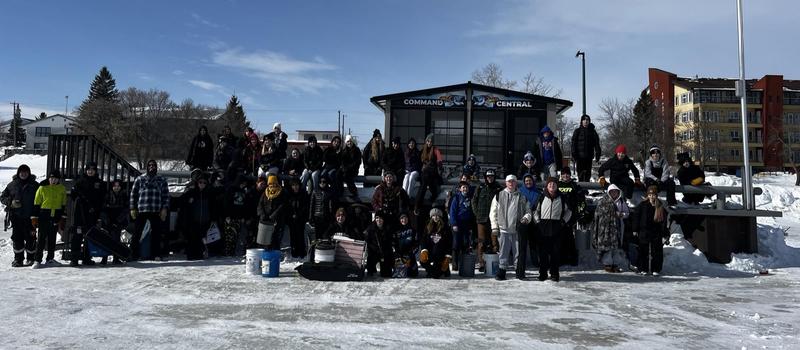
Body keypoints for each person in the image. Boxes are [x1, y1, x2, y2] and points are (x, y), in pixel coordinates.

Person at [489, 174, 532, 280]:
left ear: (516, 183)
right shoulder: (499, 195)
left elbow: (528, 211)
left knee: (518, 251)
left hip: (517, 229)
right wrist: (494, 227)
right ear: (506, 183)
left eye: (513, 181)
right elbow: (493, 212)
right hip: (503, 229)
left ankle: (519, 271)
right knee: (503, 252)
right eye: (509, 181)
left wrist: (526, 218)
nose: (511, 183)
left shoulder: (522, 196)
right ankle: (502, 271)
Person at [129, 160, 171, 261]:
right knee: (137, 233)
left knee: (156, 234)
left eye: (154, 165)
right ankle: (133, 254)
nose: (152, 167)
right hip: (142, 209)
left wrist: (164, 208)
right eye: (150, 165)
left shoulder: (162, 180)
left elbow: (166, 196)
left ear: (156, 167)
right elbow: (133, 194)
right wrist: (132, 208)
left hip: (156, 210)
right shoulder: (140, 179)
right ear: (147, 167)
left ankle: (155, 254)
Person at [533, 177, 572, 282]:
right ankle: (543, 273)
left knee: (555, 252)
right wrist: (538, 222)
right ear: (547, 186)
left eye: (554, 184)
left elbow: (569, 211)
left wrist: (563, 221)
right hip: (543, 226)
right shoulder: (541, 197)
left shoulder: (562, 197)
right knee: (543, 252)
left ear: (557, 186)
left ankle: (554, 273)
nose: (552, 186)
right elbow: (535, 211)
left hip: (556, 226)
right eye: (550, 184)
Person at [1, 164, 39, 267]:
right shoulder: (12, 185)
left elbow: (41, 199)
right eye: (21, 172)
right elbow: (3, 197)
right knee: (17, 238)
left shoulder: (35, 185)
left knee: (31, 238)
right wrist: (10, 202)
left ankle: (31, 259)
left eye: (25, 172)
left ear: (29, 173)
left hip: (31, 217)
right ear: (18, 173)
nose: (23, 174)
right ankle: (18, 259)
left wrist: (37, 214)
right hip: (16, 217)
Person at [70, 161, 106, 266]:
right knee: (77, 235)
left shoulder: (99, 183)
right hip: (79, 213)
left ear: (95, 171)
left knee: (89, 236)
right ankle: (74, 259)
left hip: (92, 214)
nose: (90, 171)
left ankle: (87, 258)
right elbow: (73, 196)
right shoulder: (79, 182)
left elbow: (102, 198)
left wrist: (97, 211)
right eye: (88, 170)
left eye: (92, 170)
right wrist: (79, 199)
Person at [30, 170, 67, 269]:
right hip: (43, 215)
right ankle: (37, 260)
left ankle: (50, 259)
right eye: (51, 178)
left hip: (56, 215)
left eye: (55, 179)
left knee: (52, 239)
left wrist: (62, 218)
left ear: (58, 179)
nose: (53, 180)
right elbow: (36, 203)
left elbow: (63, 204)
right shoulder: (42, 188)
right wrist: (34, 218)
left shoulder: (62, 189)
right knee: (41, 239)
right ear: (48, 178)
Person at [592, 184, 630, 273]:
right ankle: (607, 264)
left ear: (618, 192)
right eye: (611, 192)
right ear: (608, 192)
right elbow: (597, 215)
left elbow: (627, 213)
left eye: (615, 191)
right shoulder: (602, 202)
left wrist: (621, 215)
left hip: (617, 227)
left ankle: (615, 264)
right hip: (604, 228)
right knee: (606, 247)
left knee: (616, 247)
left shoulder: (621, 202)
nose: (614, 193)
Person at [179, 175, 217, 260]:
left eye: (204, 183)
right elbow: (182, 202)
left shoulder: (209, 194)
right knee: (192, 239)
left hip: (205, 220)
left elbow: (213, 207)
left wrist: (213, 219)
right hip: (193, 221)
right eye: (200, 182)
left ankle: (200, 255)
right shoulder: (191, 192)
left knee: (202, 239)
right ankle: (191, 255)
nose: (202, 184)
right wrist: (189, 201)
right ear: (197, 183)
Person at [633, 186, 669, 275]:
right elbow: (636, 217)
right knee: (643, 250)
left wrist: (665, 233)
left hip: (656, 231)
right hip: (644, 230)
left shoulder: (660, 206)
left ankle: (655, 269)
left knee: (656, 252)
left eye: (653, 195)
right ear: (647, 195)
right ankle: (643, 268)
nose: (651, 197)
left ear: (656, 195)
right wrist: (635, 229)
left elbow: (664, 221)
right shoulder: (642, 205)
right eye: (650, 195)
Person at [472, 169, 501, 271]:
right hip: (481, 219)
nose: (490, 178)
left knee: (494, 242)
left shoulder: (498, 188)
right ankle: (481, 263)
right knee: (481, 242)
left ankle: (494, 263)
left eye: (492, 176)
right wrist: (477, 213)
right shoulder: (480, 187)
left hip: (494, 220)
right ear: (485, 177)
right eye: (488, 176)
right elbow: (474, 201)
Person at [556, 167, 586, 266]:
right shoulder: (557, 185)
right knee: (559, 237)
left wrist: (581, 211)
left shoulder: (574, 186)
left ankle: (572, 258)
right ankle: (560, 258)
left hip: (572, 215)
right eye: (563, 174)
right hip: (559, 215)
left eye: (567, 174)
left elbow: (581, 200)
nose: (565, 176)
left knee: (569, 236)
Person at [516, 173, 541, 279]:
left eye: (530, 181)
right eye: (526, 181)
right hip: (523, 221)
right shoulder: (520, 191)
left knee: (534, 243)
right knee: (522, 244)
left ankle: (535, 262)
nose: (528, 182)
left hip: (534, 221)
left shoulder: (538, 192)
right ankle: (522, 266)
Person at [99, 179, 128, 265]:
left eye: (118, 186)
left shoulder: (124, 196)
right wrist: (106, 220)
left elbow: (126, 210)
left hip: (118, 221)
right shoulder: (107, 195)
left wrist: (118, 221)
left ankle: (116, 258)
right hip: (108, 221)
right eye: (114, 186)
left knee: (116, 240)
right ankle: (104, 258)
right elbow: (103, 209)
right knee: (106, 239)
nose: (116, 188)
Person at [419, 208, 452, 279]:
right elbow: (423, 240)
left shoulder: (445, 228)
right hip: (430, 253)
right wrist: (424, 250)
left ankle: (442, 270)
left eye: (437, 215)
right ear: (431, 217)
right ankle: (435, 271)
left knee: (435, 276)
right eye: (434, 215)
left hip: (440, 254)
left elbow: (449, 242)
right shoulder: (427, 227)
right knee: (422, 261)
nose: (436, 217)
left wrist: (448, 256)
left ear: (440, 217)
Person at [257, 174, 288, 250]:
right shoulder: (265, 193)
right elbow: (260, 205)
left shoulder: (281, 192)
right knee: (265, 240)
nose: (272, 185)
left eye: (274, 183)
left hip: (277, 220)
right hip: (266, 220)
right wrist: (262, 214)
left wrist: (274, 215)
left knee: (275, 239)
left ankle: (275, 254)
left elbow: (282, 205)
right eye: (270, 183)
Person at [448, 181, 474, 272]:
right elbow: (452, 212)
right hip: (457, 223)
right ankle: (455, 264)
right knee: (456, 244)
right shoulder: (456, 197)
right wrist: (454, 224)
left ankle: (463, 263)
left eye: (466, 187)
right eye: (463, 187)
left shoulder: (470, 197)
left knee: (465, 243)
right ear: (460, 189)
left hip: (466, 223)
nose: (465, 189)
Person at [571, 115, 602, 182]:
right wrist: (573, 154)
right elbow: (573, 144)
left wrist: (598, 153)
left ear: (589, 121)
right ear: (581, 121)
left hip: (589, 157)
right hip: (579, 157)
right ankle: (580, 190)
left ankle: (586, 190)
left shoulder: (593, 132)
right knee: (580, 175)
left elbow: (597, 144)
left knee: (587, 175)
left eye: (587, 120)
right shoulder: (577, 131)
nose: (586, 121)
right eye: (584, 120)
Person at [416, 134, 443, 208]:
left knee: (425, 183)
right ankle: (418, 204)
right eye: (428, 141)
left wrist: (440, 167)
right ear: (426, 141)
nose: (429, 143)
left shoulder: (435, 150)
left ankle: (417, 204)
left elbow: (439, 159)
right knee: (424, 183)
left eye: (431, 141)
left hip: (432, 171)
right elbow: (418, 161)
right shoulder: (423, 150)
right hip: (424, 172)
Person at [286, 178, 309, 260]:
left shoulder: (303, 194)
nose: (295, 187)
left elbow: (305, 207)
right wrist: (291, 215)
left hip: (301, 218)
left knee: (300, 235)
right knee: (293, 236)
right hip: (291, 219)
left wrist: (298, 215)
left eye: (296, 185)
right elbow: (287, 207)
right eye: (293, 185)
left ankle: (302, 252)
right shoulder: (289, 195)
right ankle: (294, 252)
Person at [364, 211, 393, 277]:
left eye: (380, 218)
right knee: (370, 272)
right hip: (374, 253)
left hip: (384, 253)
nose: (378, 220)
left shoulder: (388, 228)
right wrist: (374, 249)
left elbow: (390, 244)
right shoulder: (370, 228)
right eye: (377, 218)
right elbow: (367, 241)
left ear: (383, 219)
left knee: (386, 274)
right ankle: (372, 268)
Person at [392, 212, 419, 278]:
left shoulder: (413, 230)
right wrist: (396, 252)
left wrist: (411, 253)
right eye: (402, 218)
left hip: (409, 255)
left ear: (408, 219)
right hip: (399, 255)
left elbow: (416, 244)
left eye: (405, 218)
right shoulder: (396, 231)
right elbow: (393, 244)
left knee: (413, 274)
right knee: (399, 275)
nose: (404, 219)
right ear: (399, 220)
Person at [309, 176, 335, 241]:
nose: (322, 183)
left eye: (324, 182)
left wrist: (332, 217)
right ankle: (317, 249)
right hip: (317, 216)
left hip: (326, 217)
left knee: (325, 235)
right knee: (317, 236)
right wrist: (310, 217)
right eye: (320, 182)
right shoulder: (315, 191)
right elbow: (312, 205)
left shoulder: (330, 192)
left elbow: (331, 206)